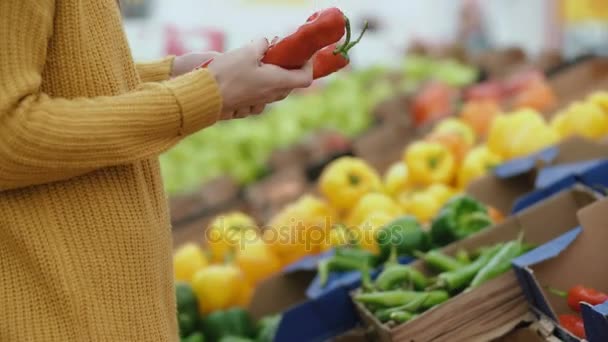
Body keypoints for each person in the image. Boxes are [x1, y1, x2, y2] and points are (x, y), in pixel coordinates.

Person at [0, 1, 312, 341]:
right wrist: (201, 95)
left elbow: (54, 75)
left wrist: (172, 77)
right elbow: (7, 132)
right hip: (54, 316)